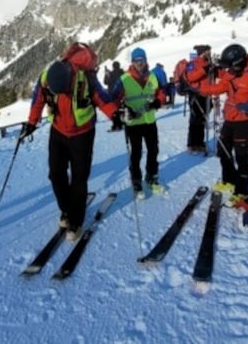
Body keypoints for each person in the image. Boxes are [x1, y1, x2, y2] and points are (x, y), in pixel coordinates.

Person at [19, 43, 120, 241]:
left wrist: (115, 115)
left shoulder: (86, 77)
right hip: (58, 131)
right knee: (56, 174)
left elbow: (102, 98)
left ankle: (76, 221)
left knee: (79, 179)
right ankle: (66, 209)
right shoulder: (47, 77)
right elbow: (38, 99)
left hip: (83, 134)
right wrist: (31, 123)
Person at [191, 43, 248, 203]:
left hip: (245, 123)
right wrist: (200, 90)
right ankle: (229, 180)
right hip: (230, 119)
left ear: (238, 63)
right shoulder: (231, 73)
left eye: (230, 67)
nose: (228, 70)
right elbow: (220, 86)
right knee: (223, 151)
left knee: (242, 157)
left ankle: (242, 190)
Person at [109, 48, 167, 198]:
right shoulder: (124, 78)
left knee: (153, 150)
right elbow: (113, 99)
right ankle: (136, 182)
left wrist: (157, 102)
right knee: (136, 154)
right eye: (136, 61)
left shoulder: (153, 76)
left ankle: (151, 177)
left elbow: (161, 92)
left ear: (146, 61)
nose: (139, 64)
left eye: (142, 60)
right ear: (132, 62)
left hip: (149, 121)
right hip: (133, 123)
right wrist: (123, 110)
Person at [185, 45, 214, 154]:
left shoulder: (208, 63)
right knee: (195, 119)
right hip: (196, 95)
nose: (210, 53)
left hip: (206, 94)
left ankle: (200, 143)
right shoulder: (193, 63)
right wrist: (203, 70)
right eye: (208, 51)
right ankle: (192, 144)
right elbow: (191, 77)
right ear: (203, 52)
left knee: (202, 120)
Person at [104, 61, 125, 131]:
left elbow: (105, 82)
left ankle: (116, 125)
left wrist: (106, 74)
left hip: (113, 94)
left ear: (113, 66)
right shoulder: (123, 73)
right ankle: (123, 122)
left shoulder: (111, 74)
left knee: (115, 110)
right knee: (122, 108)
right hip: (122, 93)